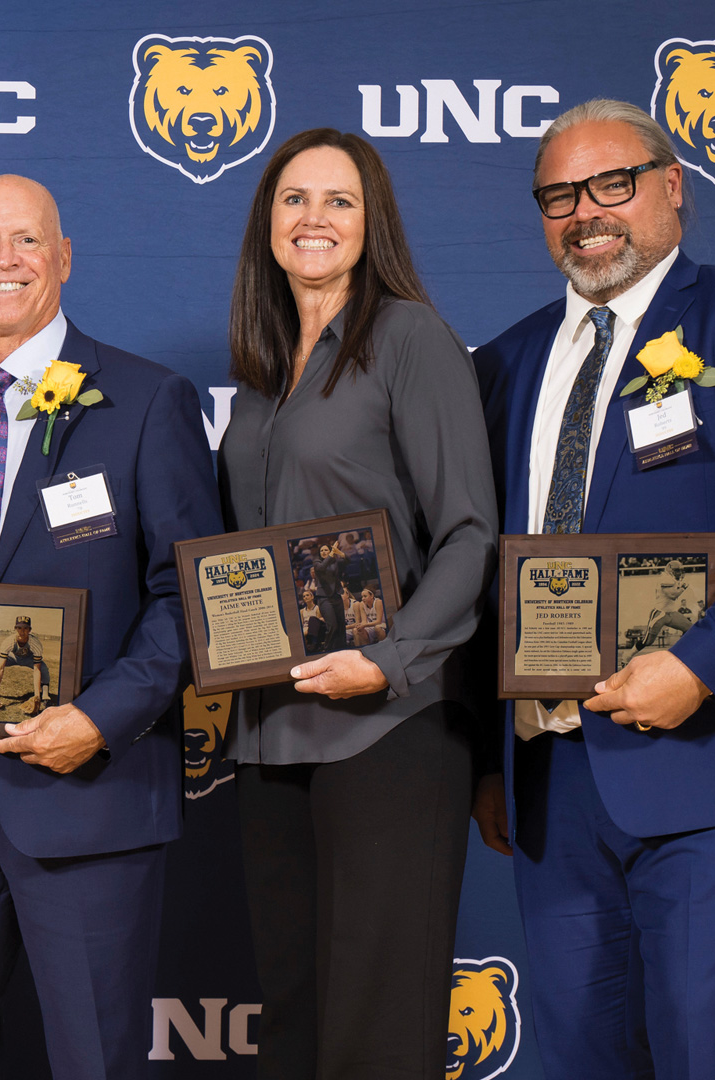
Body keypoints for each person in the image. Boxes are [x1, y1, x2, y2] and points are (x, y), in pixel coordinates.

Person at [470, 98, 715, 1080]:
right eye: (559, 194)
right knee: (581, 1058)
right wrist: (487, 757)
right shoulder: (504, 363)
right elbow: (488, 572)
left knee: (706, 1052)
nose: (586, 211)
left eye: (612, 183)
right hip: (554, 783)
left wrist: (698, 666)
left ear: (672, 187)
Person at [0, 174, 222, 1079]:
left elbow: (189, 596)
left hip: (87, 783)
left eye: (27, 240)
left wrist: (98, 720)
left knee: (93, 1059)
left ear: (64, 257)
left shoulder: (149, 400)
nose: (5, 261)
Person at [216, 128, 498, 1079]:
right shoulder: (260, 371)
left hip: (389, 724)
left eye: (339, 200)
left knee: (378, 1031)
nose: (314, 219)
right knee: (292, 1020)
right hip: (271, 730)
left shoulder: (410, 337)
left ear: (372, 219)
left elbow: (469, 535)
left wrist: (389, 655)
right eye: (295, 199)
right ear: (267, 221)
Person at [0, 613, 51, 715]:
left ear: (30, 630)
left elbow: (36, 670)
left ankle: (44, 696)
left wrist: (36, 695)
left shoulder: (35, 643)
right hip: (13, 657)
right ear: (15, 628)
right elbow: (0, 669)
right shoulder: (8, 642)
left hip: (28, 659)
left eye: (26, 628)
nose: (22, 631)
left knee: (43, 667)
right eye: (19, 628)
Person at [309, 540, 349, 650]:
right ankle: (327, 648)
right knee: (333, 626)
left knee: (341, 626)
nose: (323, 552)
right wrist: (332, 553)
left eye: (326, 550)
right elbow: (322, 567)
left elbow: (348, 561)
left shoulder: (335, 562)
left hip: (336, 596)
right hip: (324, 599)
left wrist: (339, 553)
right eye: (321, 550)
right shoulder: (316, 562)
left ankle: (342, 648)